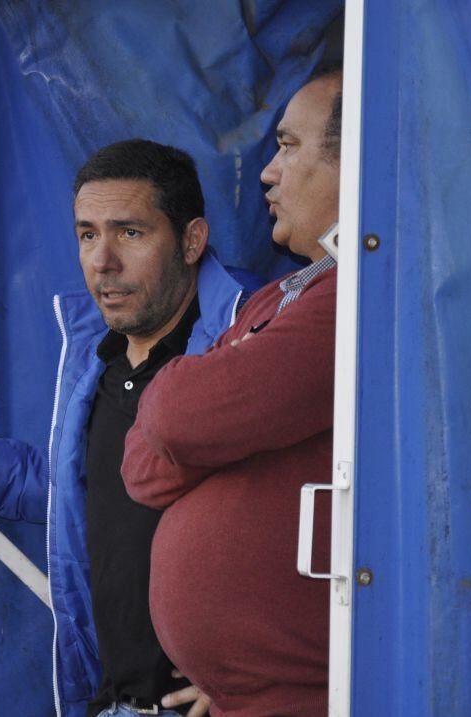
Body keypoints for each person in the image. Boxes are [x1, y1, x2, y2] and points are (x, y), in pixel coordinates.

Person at [0, 139, 262, 717]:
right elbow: (75, 490)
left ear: (192, 240)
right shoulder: (97, 361)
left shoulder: (248, 342)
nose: (102, 260)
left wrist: (258, 673)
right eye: (87, 234)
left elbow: (305, 508)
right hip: (109, 703)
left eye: (129, 232)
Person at [121, 65, 343, 717]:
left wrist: (183, 411)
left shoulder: (359, 298)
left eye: (289, 146)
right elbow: (141, 469)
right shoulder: (285, 294)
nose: (268, 172)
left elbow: (179, 412)